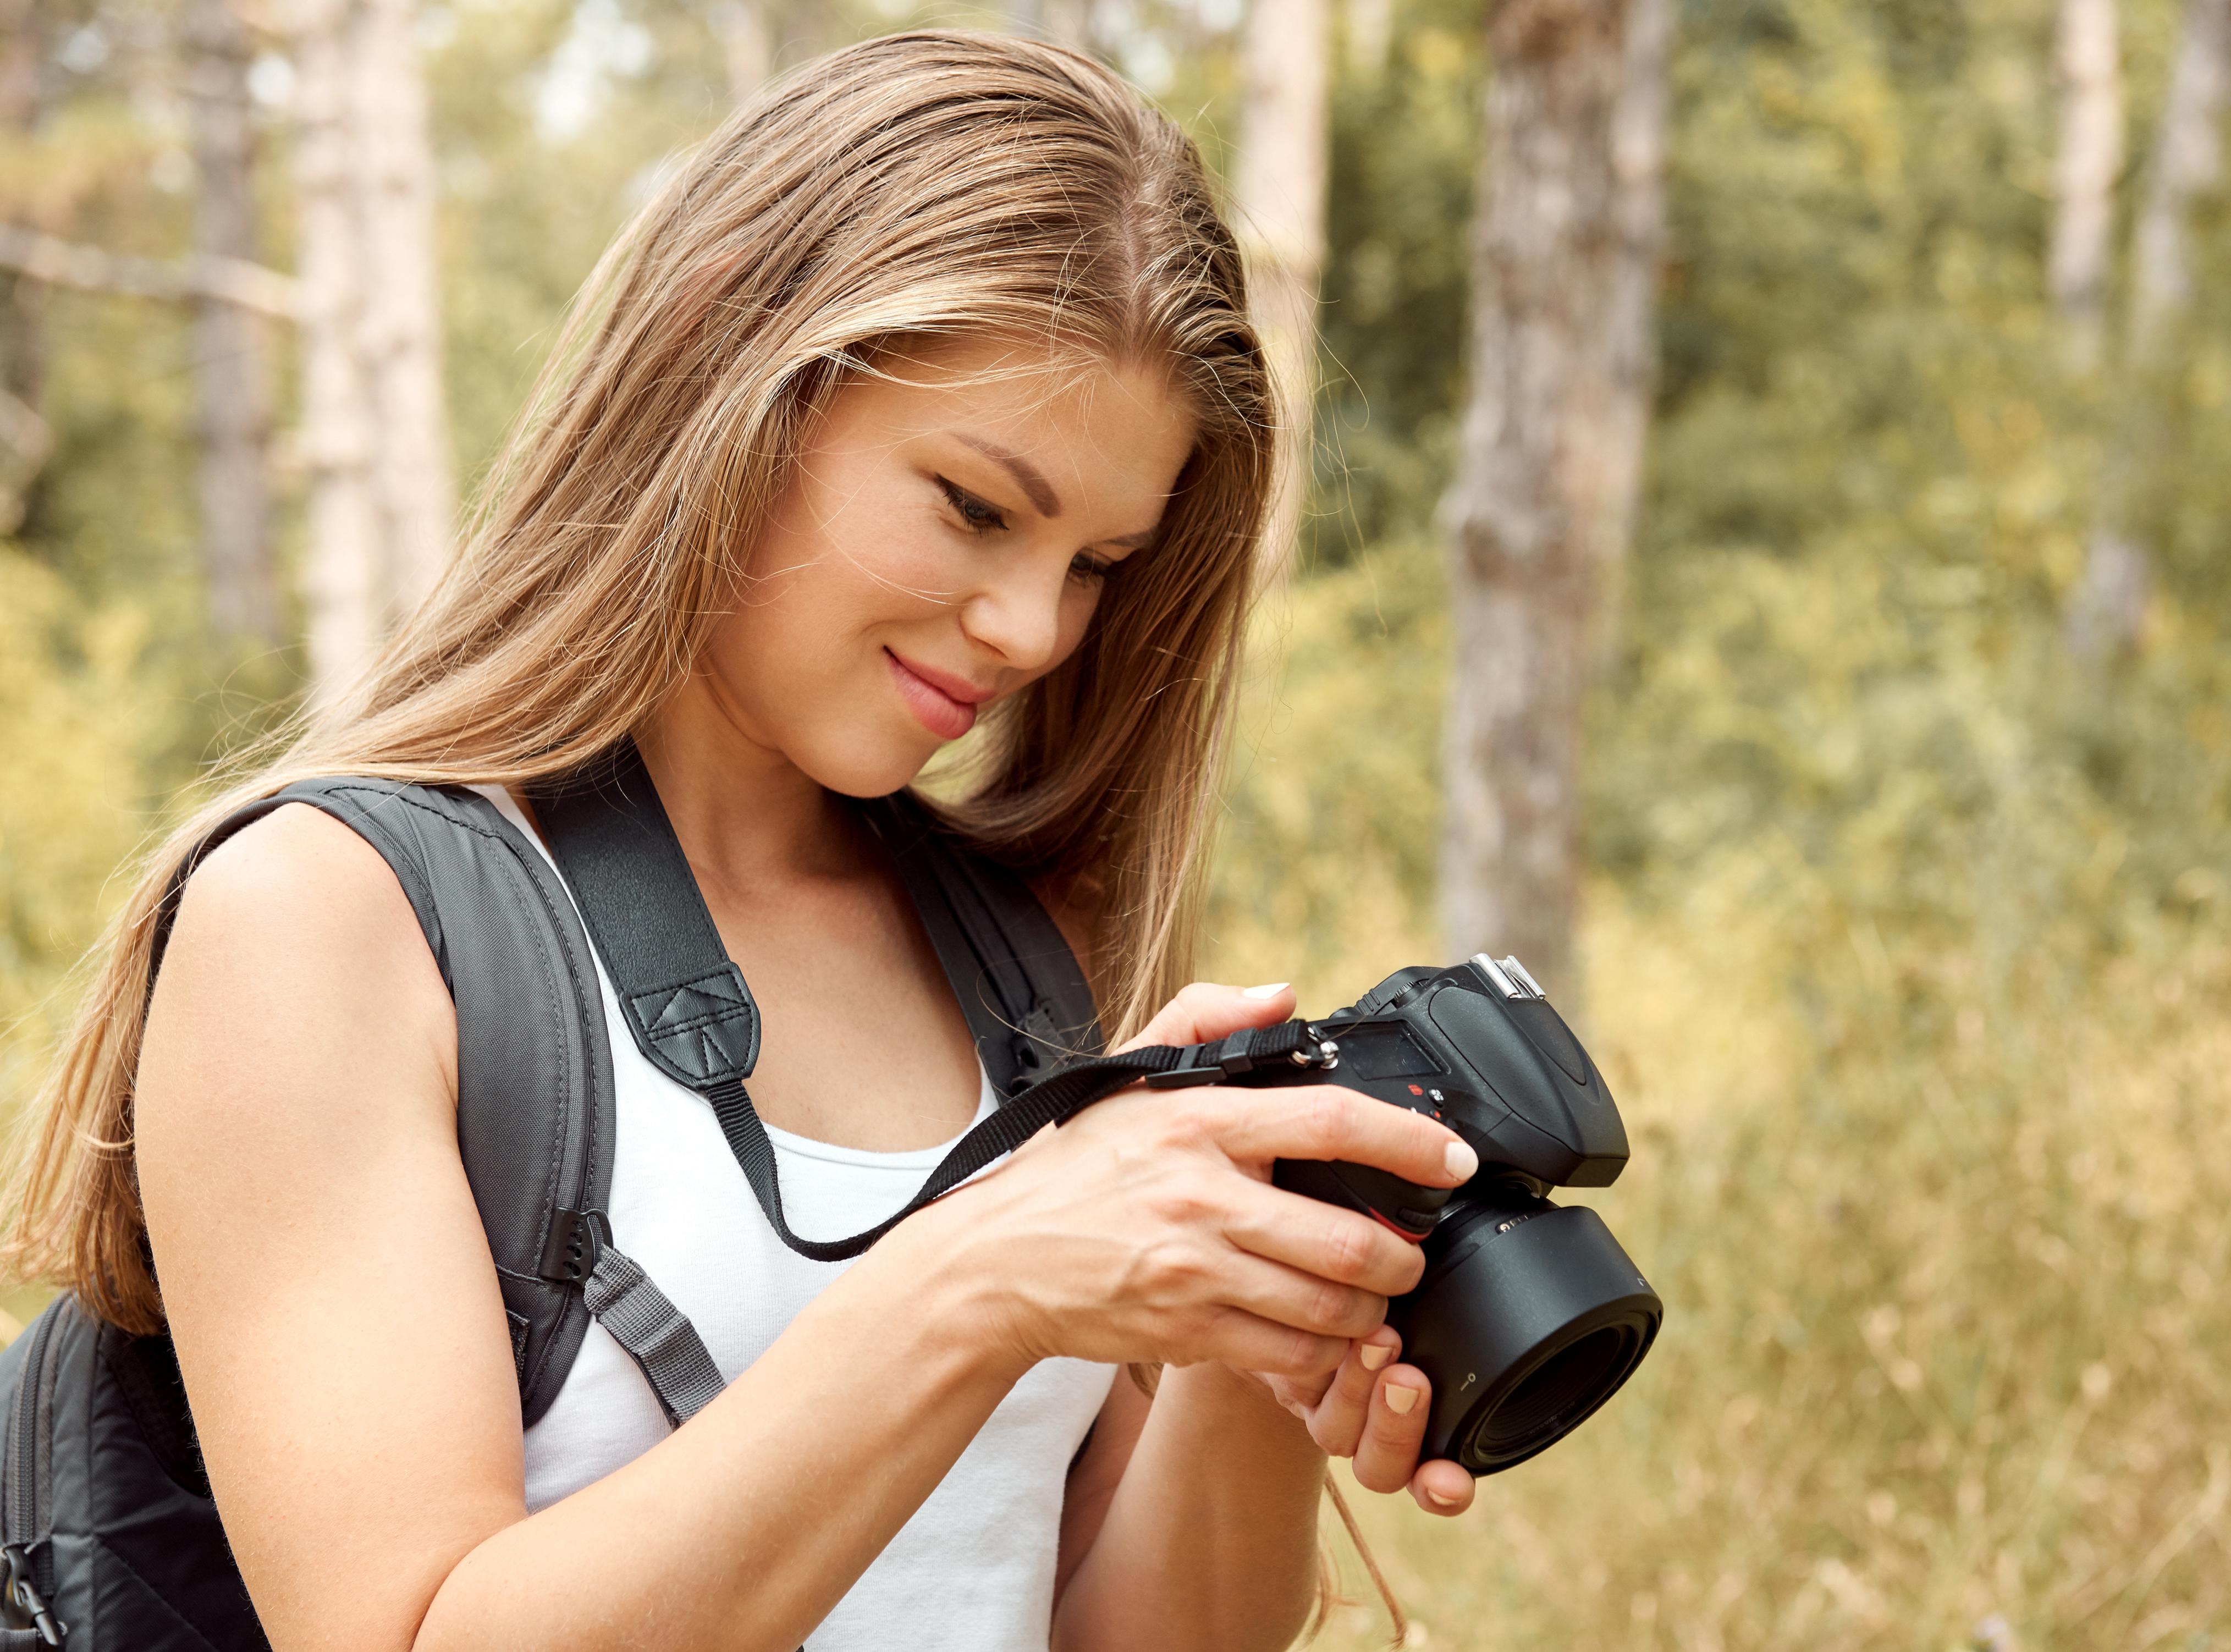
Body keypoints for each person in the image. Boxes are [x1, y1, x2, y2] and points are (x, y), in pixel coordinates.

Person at [1, 30, 1483, 1652]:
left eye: (1096, 563)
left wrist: (1266, 1331)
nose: (1029, 626)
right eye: (977, 507)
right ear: (732, 361)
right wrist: (974, 1284)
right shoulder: (331, 917)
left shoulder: (1013, 947)